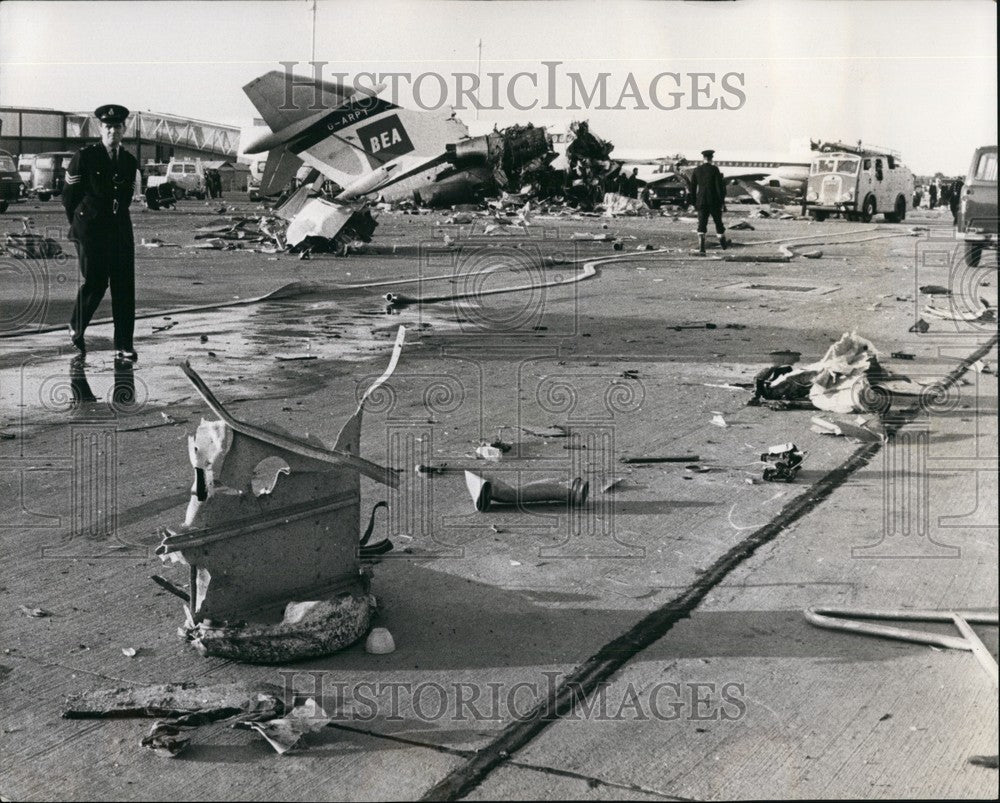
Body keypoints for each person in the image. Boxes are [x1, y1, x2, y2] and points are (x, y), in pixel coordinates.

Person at [63, 104, 139, 361]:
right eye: (108, 127)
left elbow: (126, 197)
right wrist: (79, 226)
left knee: (124, 287)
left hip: (119, 229)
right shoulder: (85, 157)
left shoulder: (129, 161)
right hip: (91, 230)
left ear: (124, 129)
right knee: (96, 282)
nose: (112, 131)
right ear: (100, 128)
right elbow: (69, 198)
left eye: (117, 127)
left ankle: (123, 345)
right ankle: (76, 325)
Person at [689, 149, 728, 254]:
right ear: (711, 158)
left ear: (703, 158)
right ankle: (723, 243)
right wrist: (722, 202)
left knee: (701, 224)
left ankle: (702, 248)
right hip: (714, 201)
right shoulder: (714, 169)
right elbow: (719, 187)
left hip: (701, 201)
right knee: (718, 222)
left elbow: (692, 188)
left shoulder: (697, 170)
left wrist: (693, 202)